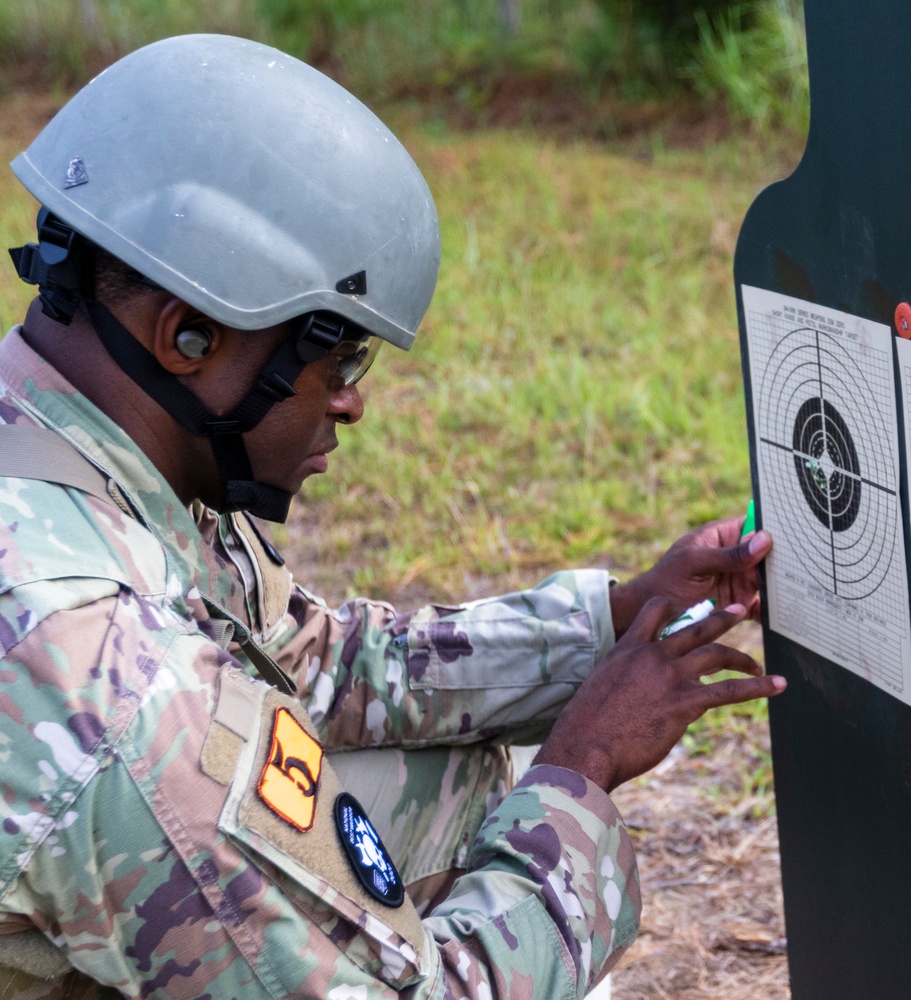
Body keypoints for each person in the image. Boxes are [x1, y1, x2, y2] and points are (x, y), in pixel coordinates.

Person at [0, 33, 784, 1000]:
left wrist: (612, 622)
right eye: (339, 360)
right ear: (185, 337)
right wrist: (580, 772)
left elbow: (315, 658)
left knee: (451, 786)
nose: (350, 403)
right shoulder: (107, 677)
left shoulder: (80, 442)